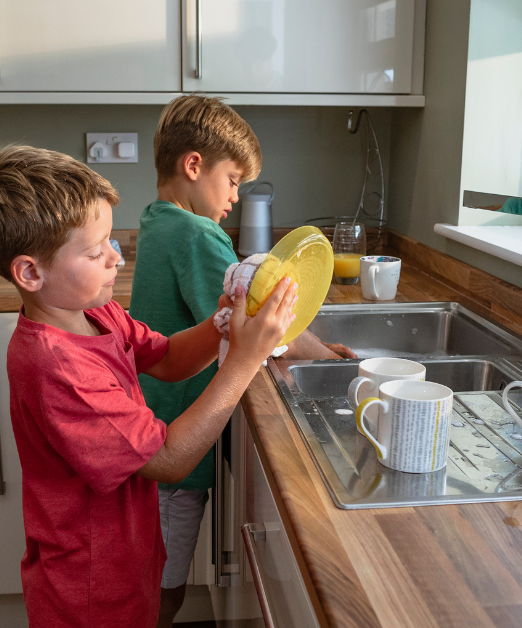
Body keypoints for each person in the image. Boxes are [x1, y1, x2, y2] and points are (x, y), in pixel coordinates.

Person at [0, 146, 298, 628]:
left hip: (127, 562)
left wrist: (222, 323)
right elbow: (170, 458)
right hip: (90, 592)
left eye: (111, 241)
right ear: (30, 272)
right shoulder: (56, 367)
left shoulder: (94, 312)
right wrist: (244, 360)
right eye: (96, 251)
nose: (115, 257)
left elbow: (166, 358)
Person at [129, 95, 356, 628]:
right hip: (176, 449)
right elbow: (258, 326)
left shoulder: (157, 219)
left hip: (157, 421)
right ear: (193, 165)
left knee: (153, 579)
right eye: (232, 179)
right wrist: (325, 356)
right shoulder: (197, 233)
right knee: (163, 590)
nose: (235, 195)